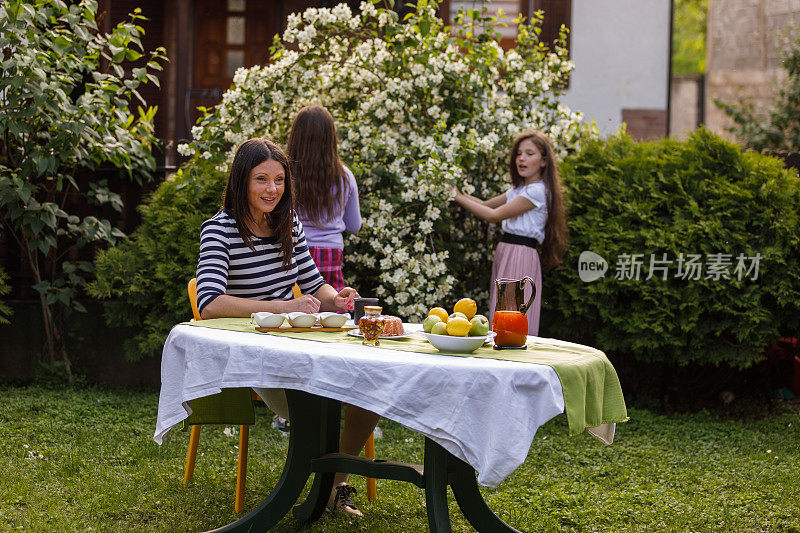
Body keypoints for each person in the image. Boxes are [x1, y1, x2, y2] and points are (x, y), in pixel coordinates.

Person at [196, 138, 378, 517]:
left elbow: (313, 283)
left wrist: (336, 298)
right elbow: (209, 303)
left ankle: (334, 485)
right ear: (241, 181)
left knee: (370, 388)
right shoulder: (219, 230)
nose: (272, 189)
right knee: (317, 403)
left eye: (279, 180)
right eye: (261, 179)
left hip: (302, 342)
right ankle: (321, 484)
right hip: (258, 355)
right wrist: (282, 305)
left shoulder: (288, 222)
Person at [452, 130, 568, 335]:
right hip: (507, 250)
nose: (521, 158)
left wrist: (457, 196)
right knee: (503, 310)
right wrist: (458, 192)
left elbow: (493, 215)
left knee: (511, 313)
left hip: (520, 253)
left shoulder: (537, 191)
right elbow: (486, 205)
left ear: (543, 161)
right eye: (519, 153)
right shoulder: (520, 189)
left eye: (529, 153)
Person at [287, 105, 361, 291]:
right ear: (331, 138)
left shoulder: (285, 175)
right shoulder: (345, 177)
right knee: (333, 309)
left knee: (294, 308)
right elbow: (354, 226)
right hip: (331, 252)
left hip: (292, 249)